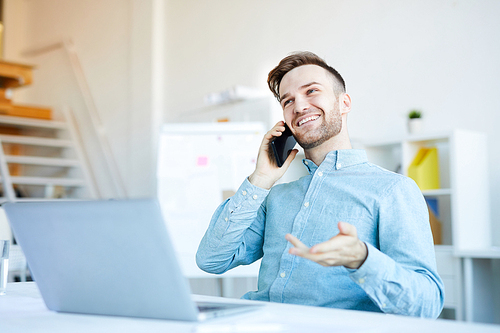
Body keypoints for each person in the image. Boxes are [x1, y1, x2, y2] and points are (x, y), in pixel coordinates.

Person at [196, 51, 444, 318]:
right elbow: (211, 259)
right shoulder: (276, 196)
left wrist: (362, 259)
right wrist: (261, 179)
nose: (299, 106)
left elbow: (427, 306)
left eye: (311, 91)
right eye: (288, 101)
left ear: (344, 102)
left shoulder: (393, 190)